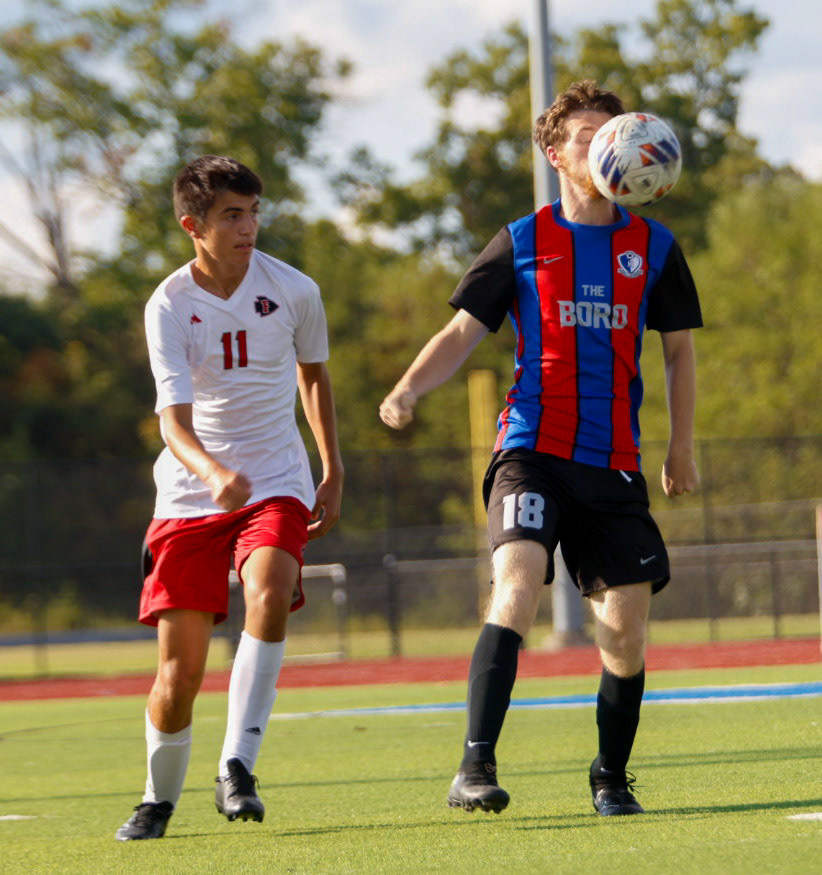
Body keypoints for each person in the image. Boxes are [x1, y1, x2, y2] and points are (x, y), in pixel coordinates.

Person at [379, 80, 701, 817]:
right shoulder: (522, 240)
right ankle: (475, 766)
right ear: (556, 154)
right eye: (589, 137)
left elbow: (680, 352)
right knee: (518, 582)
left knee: (624, 629)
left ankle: (610, 776)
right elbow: (461, 331)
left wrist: (681, 446)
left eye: (614, 133)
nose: (607, 147)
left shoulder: (655, 247)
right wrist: (407, 389)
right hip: (531, 447)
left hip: (614, 462)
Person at [116, 155, 343, 841]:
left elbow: (313, 376)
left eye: (253, 213)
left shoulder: (294, 289)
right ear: (193, 226)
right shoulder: (168, 304)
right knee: (180, 672)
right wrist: (214, 474)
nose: (248, 228)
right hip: (191, 494)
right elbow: (172, 423)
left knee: (269, 590)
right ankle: (156, 801)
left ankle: (237, 766)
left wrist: (331, 468)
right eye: (231, 216)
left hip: (275, 479)